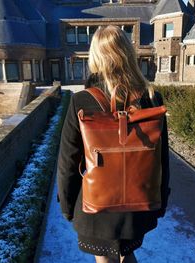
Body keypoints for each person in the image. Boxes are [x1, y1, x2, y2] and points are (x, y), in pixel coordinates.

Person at [57, 25, 170, 263]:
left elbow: (68, 160)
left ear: (95, 56)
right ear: (128, 53)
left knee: (105, 260)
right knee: (127, 257)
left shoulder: (81, 100)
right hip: (138, 204)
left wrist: (67, 206)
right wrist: (160, 202)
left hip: (96, 204)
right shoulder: (151, 98)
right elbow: (162, 159)